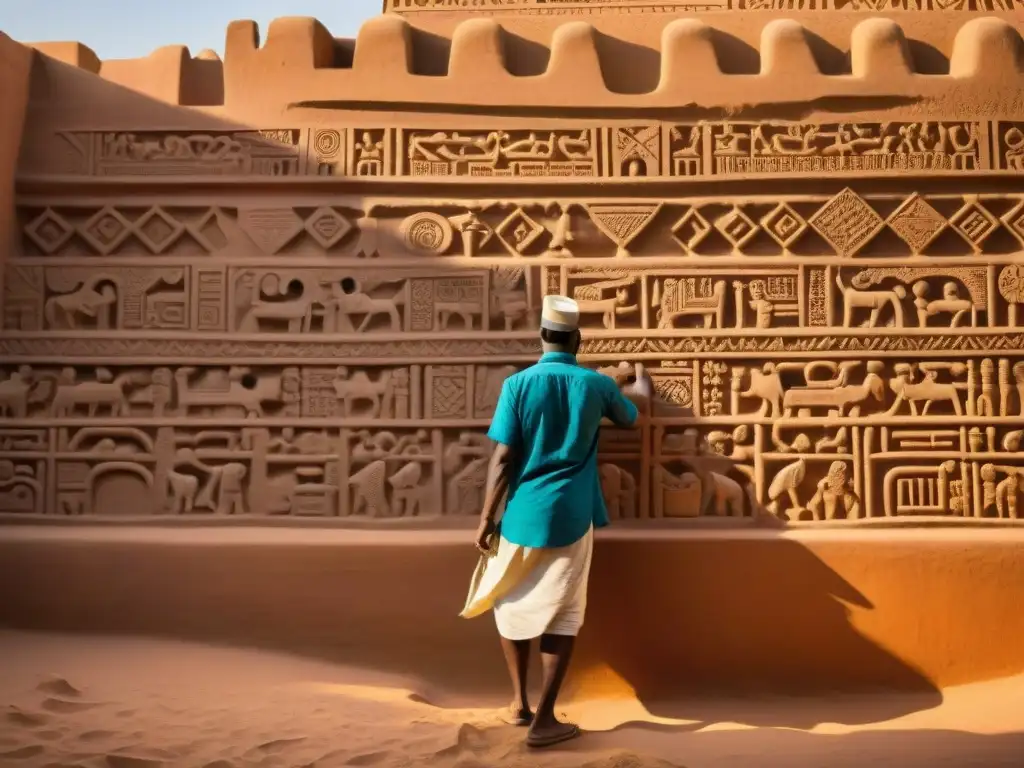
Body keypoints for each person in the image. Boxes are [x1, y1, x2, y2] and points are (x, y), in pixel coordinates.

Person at [459, 294, 652, 749]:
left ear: (543, 336)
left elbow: (503, 456)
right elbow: (632, 414)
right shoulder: (595, 384)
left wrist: (487, 517)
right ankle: (545, 718)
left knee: (509, 603)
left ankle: (520, 704)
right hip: (570, 513)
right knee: (563, 614)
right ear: (577, 338)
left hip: (521, 514)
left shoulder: (518, 385)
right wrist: (637, 380)